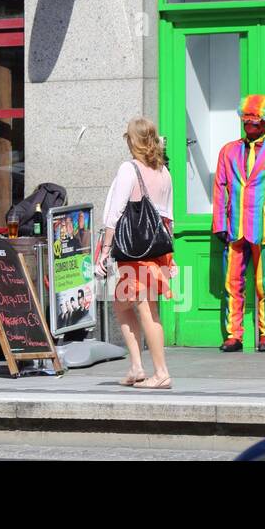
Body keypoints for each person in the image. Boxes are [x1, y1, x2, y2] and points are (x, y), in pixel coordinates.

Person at [96, 118, 175, 390]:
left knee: (147, 309)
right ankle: (137, 366)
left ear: (133, 140)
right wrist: (170, 256)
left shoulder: (129, 168)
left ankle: (161, 372)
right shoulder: (164, 172)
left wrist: (104, 251)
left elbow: (116, 213)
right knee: (121, 302)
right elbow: (169, 217)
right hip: (157, 250)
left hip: (137, 251)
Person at [212, 94, 265, 353]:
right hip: (235, 228)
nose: (249, 125)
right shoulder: (228, 151)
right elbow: (221, 188)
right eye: (246, 120)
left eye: (254, 121)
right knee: (231, 283)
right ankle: (233, 335)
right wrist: (220, 225)